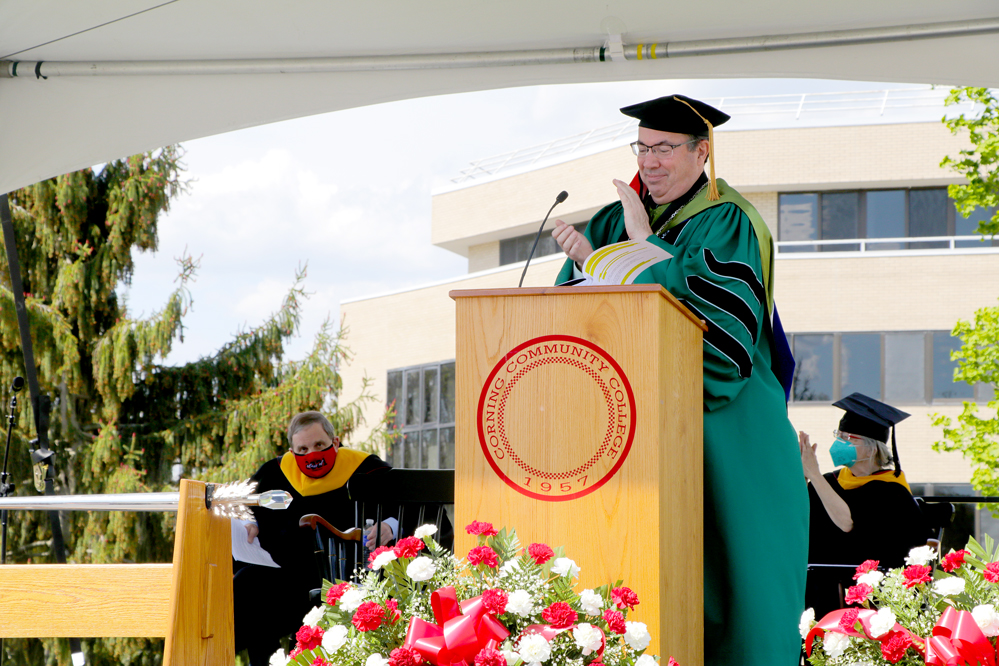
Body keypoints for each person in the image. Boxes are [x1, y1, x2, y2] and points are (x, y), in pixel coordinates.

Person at [552, 94, 807, 666]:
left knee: (738, 581)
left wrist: (645, 243)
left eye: (664, 148)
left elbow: (718, 338)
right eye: (642, 148)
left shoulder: (729, 220)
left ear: (702, 152)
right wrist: (587, 262)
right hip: (625, 417)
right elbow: (567, 319)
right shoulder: (608, 220)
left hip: (723, 420)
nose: (650, 162)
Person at [233, 411, 397, 665]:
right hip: (291, 581)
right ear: (292, 451)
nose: (312, 454)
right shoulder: (277, 473)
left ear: (335, 442)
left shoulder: (366, 469)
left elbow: (413, 506)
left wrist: (390, 525)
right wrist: (249, 521)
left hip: (351, 580)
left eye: (319, 445)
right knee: (248, 585)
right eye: (303, 449)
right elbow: (244, 504)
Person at [801, 392, 926, 615]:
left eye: (849, 438)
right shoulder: (830, 481)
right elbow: (803, 525)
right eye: (839, 436)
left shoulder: (892, 492)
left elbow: (847, 523)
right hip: (819, 587)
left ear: (872, 448)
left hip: (869, 599)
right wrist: (803, 478)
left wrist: (815, 475)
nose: (839, 443)